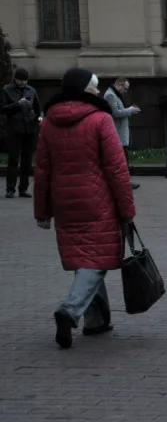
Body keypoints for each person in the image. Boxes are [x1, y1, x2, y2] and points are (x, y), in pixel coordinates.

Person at [33, 67, 136, 348]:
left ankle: (97, 321)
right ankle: (70, 310)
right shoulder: (100, 119)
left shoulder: (49, 122)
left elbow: (41, 169)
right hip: (97, 200)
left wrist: (42, 211)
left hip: (64, 202)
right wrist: (127, 208)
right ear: (82, 89)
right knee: (97, 259)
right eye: (94, 87)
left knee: (86, 256)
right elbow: (117, 169)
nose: (99, 92)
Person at [2, 68, 42, 198]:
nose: (23, 83)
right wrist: (17, 104)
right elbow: (2, 108)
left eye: (25, 80)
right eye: (21, 80)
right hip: (15, 128)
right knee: (13, 160)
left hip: (30, 128)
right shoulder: (7, 90)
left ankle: (23, 189)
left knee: (27, 160)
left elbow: (38, 107)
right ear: (15, 79)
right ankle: (10, 188)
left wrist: (40, 117)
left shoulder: (31, 90)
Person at [103, 77, 141, 190]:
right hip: (117, 132)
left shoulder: (115, 94)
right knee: (121, 159)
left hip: (121, 132)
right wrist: (130, 110)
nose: (126, 91)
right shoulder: (110, 95)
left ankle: (125, 181)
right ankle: (124, 182)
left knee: (124, 158)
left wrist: (129, 109)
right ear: (119, 85)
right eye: (125, 88)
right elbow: (115, 113)